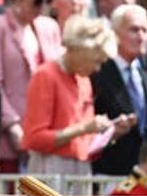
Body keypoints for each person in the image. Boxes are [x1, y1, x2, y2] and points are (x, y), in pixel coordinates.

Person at [23, 15, 125, 176]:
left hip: (81, 168)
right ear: (80, 50)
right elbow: (35, 138)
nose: (98, 69)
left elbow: (85, 140)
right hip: (51, 168)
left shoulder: (83, 80)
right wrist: (84, 128)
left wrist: (110, 132)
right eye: (96, 61)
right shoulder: (46, 75)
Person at [0, 0, 61, 173]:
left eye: (48, 1)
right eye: (37, 1)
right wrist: (13, 125)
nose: (43, 7)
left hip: (46, 133)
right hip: (11, 136)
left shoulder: (49, 27)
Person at [91, 4, 147, 176]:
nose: (141, 36)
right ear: (115, 34)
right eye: (134, 30)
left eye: (145, 30)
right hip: (108, 174)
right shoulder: (99, 71)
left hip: (141, 175)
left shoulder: (145, 75)